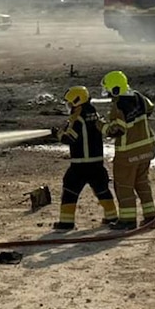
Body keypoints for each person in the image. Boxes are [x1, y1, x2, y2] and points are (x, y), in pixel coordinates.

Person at [50, 86, 118, 231]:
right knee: (102, 190)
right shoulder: (93, 113)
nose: (68, 106)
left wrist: (58, 135)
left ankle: (66, 222)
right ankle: (112, 217)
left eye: (70, 103)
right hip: (97, 163)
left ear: (77, 101)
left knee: (70, 190)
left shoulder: (78, 118)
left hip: (80, 164)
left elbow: (70, 139)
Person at [101, 71, 155, 231]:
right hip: (147, 149)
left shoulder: (118, 105)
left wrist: (101, 126)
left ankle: (127, 220)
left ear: (114, 89)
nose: (108, 94)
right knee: (142, 183)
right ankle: (150, 217)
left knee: (123, 186)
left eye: (108, 90)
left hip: (128, 154)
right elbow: (150, 108)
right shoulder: (139, 97)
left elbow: (116, 131)